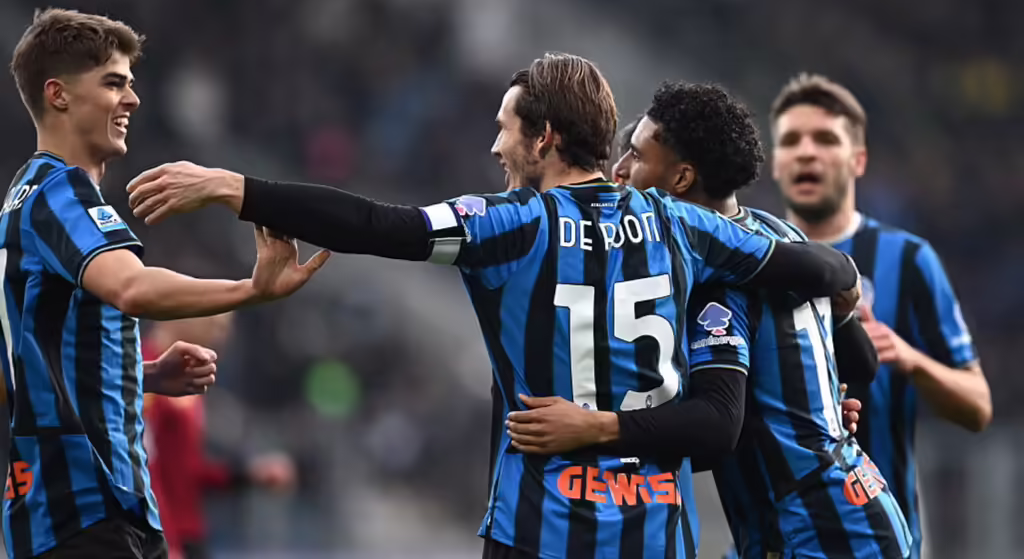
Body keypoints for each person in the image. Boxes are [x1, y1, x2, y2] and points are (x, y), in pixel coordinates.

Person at [126, 53, 861, 559]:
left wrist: (237, 189)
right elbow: (816, 269)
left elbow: (379, 225)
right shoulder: (682, 225)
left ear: (544, 138)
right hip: (655, 534)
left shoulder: (511, 225)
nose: (495, 146)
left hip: (541, 527)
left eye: (506, 128)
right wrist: (846, 295)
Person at [503, 82, 910, 558]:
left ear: (680, 180)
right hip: (859, 507)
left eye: (637, 156)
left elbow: (716, 426)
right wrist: (815, 406)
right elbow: (862, 364)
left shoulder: (715, 281)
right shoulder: (780, 237)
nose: (618, 169)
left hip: (819, 535)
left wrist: (596, 428)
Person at [1, 9, 327, 559]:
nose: (132, 100)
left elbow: (27, 365)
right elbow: (131, 288)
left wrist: (144, 374)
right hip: (83, 506)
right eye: (113, 84)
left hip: (77, 508)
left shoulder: (24, 198)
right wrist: (252, 290)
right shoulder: (60, 193)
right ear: (58, 95)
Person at [769, 74, 991, 558]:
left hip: (880, 541)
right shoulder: (750, 260)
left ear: (858, 159)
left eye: (825, 139)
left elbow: (978, 407)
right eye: (791, 140)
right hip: (774, 542)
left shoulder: (908, 259)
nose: (806, 152)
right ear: (776, 162)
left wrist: (912, 359)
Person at [143, 314, 297, 559]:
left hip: (187, 534)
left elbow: (186, 470)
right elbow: (144, 469)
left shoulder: (182, 377)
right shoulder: (145, 375)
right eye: (216, 326)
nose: (223, 336)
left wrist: (248, 475)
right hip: (161, 538)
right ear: (184, 315)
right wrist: (164, 541)